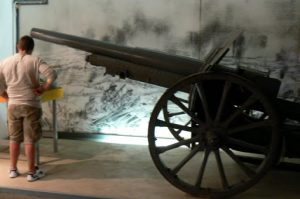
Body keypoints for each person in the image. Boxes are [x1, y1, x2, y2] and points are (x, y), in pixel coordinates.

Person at [0, 35, 57, 182]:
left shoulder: (5, 62)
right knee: (29, 139)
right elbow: (52, 74)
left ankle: (13, 169)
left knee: (14, 138)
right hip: (31, 104)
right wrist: (43, 87)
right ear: (31, 48)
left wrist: (6, 95)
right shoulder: (35, 60)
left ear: (19, 47)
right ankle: (31, 172)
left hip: (13, 105)